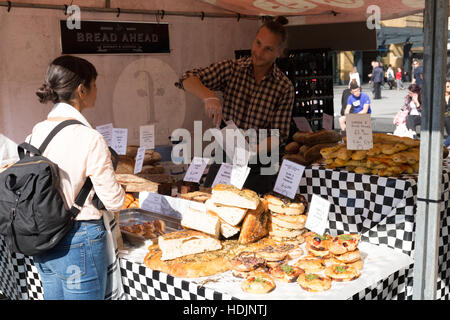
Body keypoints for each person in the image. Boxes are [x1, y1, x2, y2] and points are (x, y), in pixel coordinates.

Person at [30, 55, 125, 300]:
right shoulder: (89, 137)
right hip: (79, 238)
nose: (97, 90)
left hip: (43, 237)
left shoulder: (38, 131)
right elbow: (114, 202)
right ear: (82, 90)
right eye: (95, 84)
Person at [177, 16, 294, 194]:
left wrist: (252, 151)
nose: (259, 52)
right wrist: (209, 96)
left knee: (253, 215)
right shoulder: (232, 69)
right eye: (258, 43)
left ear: (279, 52)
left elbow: (279, 136)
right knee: (213, 208)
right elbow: (186, 78)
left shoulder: (284, 87)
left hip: (259, 165)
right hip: (226, 156)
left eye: (268, 49)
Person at [444, 80, 450, 147]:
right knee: (446, 118)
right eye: (448, 86)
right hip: (443, 117)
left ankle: (444, 146)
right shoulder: (440, 98)